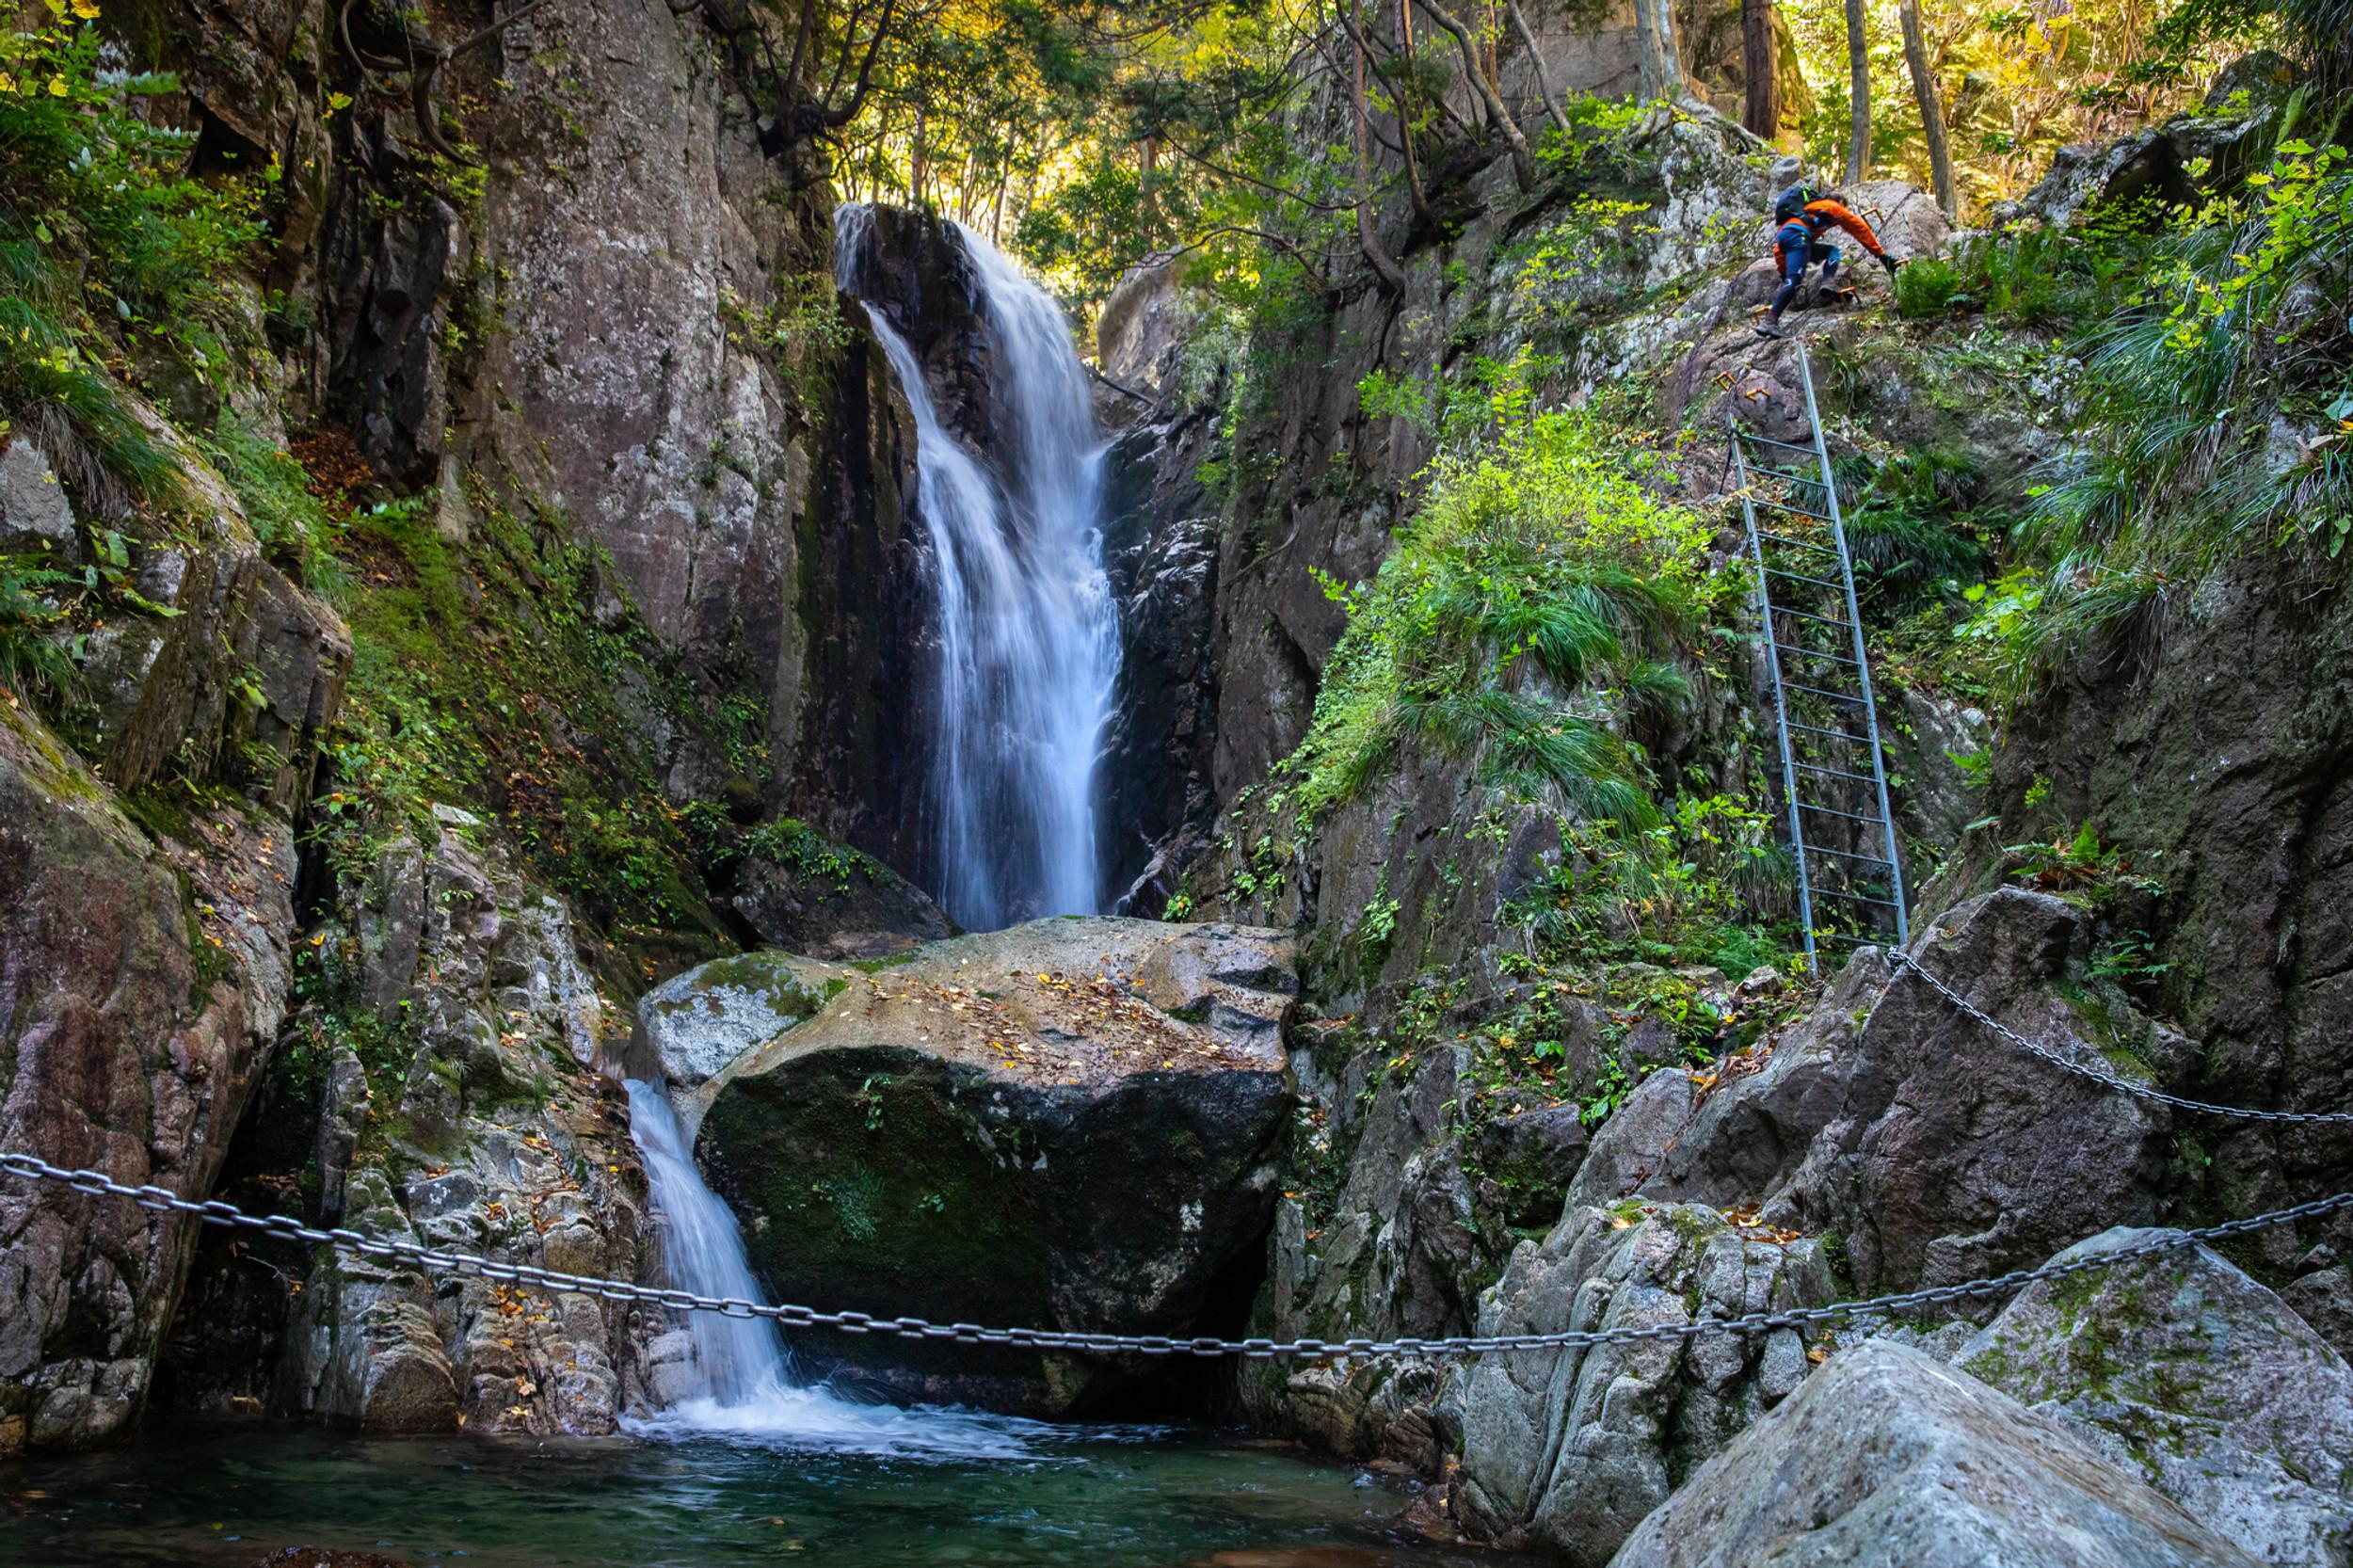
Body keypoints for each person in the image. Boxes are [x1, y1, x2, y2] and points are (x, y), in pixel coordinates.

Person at [1755, 184, 1899, 339]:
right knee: (1794, 280)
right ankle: (1769, 322)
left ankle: (1828, 283)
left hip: (1787, 238)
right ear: (1840, 203)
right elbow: (1859, 227)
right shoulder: (1831, 206)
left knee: (1832, 252)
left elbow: (1780, 250)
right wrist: (1881, 256)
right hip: (1799, 238)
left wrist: (1784, 272)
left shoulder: (1805, 212)